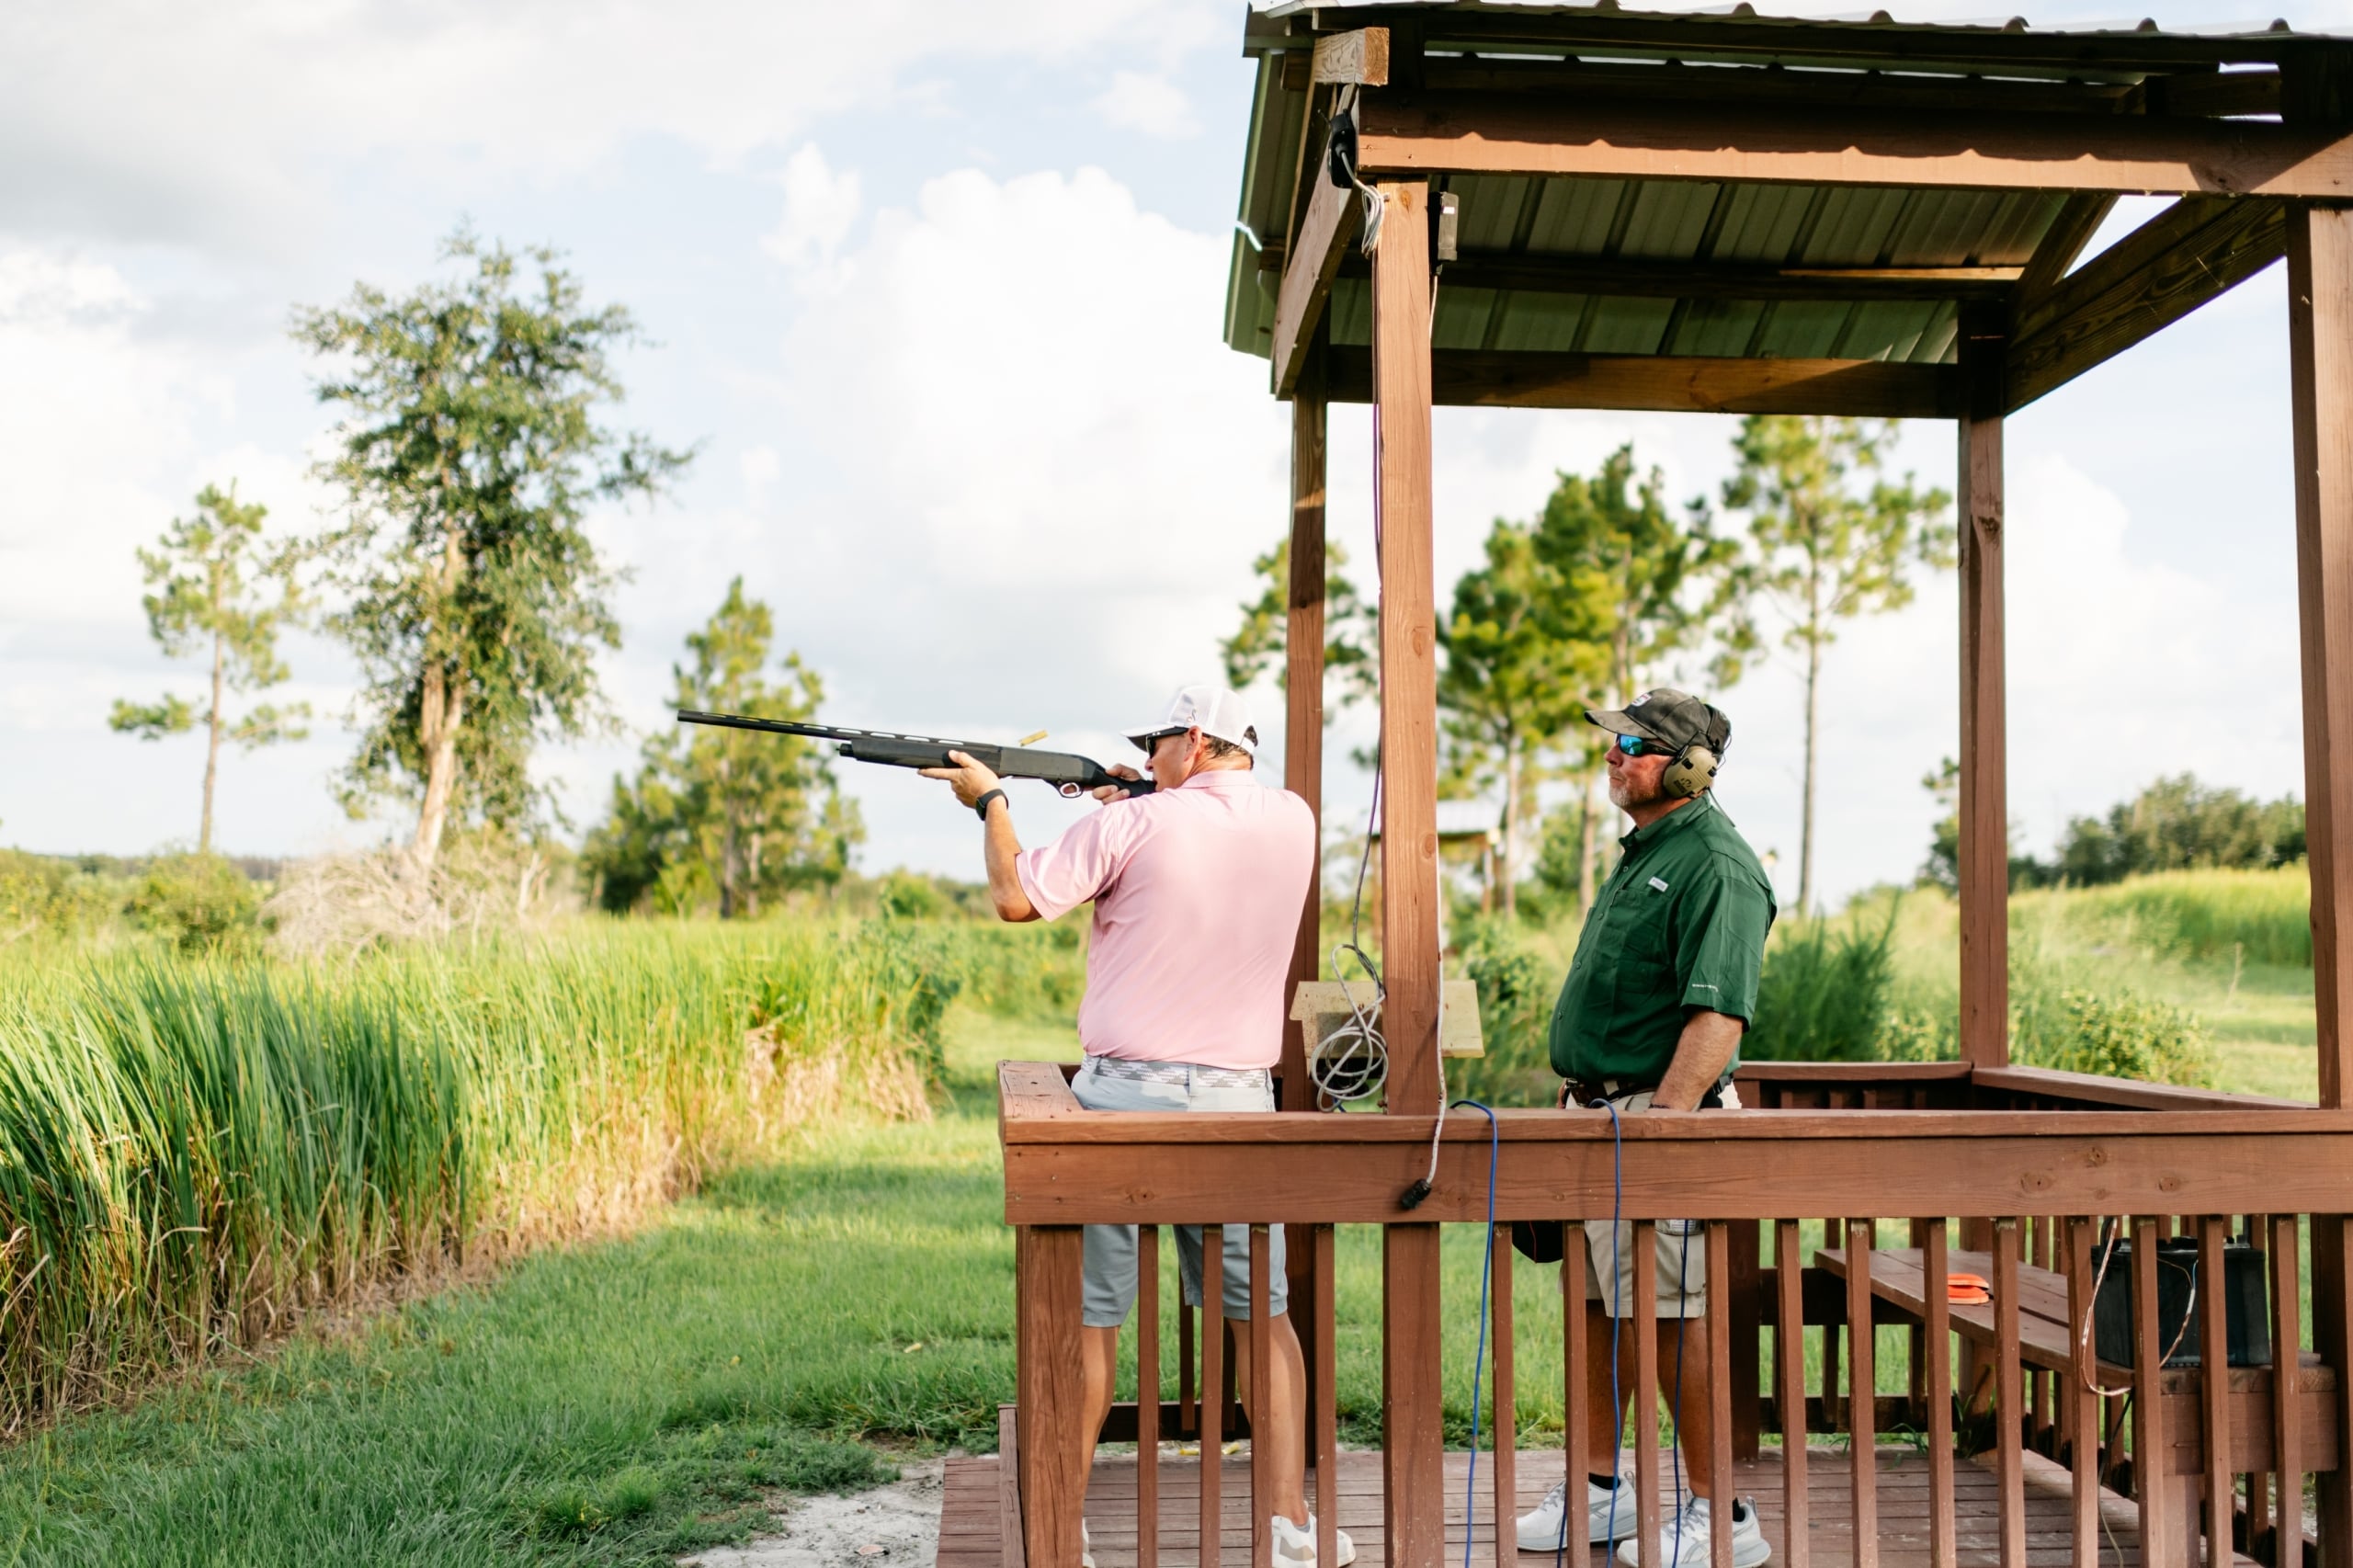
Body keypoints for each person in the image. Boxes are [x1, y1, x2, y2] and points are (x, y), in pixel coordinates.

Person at [920, 683, 1350, 1568]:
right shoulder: (1294, 819)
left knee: (1092, 1321)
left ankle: (1065, 1527)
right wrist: (1144, 794)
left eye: (1155, 745)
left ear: (1192, 740)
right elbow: (1198, 831)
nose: (1147, 759)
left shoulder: (1131, 826)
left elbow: (1015, 896)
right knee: (1262, 1318)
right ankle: (1289, 1526)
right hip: (1238, 1103)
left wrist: (992, 800)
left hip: (1121, 1104)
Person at [1513, 688, 1777, 1568]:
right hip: (1599, 1118)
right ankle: (1599, 1493)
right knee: (1599, 1316)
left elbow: (1719, 1019)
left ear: (1692, 767)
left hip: (1654, 1126)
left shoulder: (1718, 865)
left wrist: (1663, 1129)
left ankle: (1724, 1517)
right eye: (1614, 739)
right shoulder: (1645, 852)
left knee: (1672, 1321)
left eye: (1634, 742)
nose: (1613, 754)